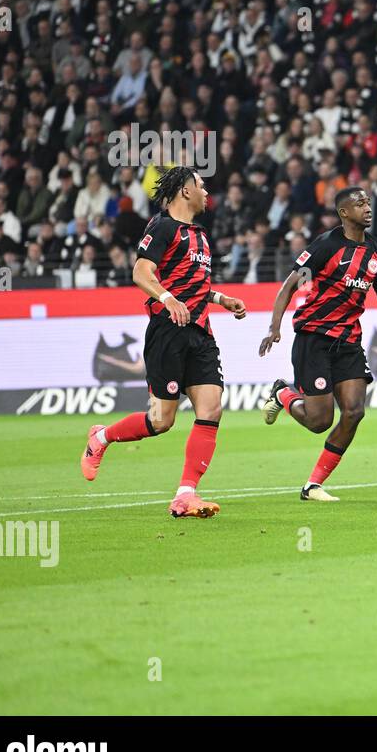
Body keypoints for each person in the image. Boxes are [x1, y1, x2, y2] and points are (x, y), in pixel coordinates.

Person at [79, 167, 247, 518]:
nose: (207, 192)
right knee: (161, 421)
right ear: (185, 191)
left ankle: (185, 495)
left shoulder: (200, 234)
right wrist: (168, 299)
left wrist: (221, 299)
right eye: (201, 186)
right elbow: (141, 272)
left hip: (201, 332)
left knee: (212, 408)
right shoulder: (162, 227)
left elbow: (194, 284)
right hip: (168, 332)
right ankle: (102, 437)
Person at [258, 187, 377, 501]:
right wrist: (274, 328)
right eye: (359, 203)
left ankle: (312, 485)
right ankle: (283, 393)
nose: (367, 208)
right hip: (314, 339)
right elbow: (288, 286)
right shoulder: (326, 245)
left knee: (354, 412)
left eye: (368, 202)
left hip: (349, 342)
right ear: (343, 212)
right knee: (319, 421)